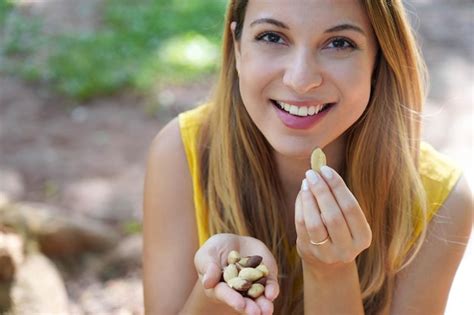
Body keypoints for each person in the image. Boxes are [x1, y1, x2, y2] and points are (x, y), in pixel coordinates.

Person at [142, 1, 472, 314]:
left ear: (379, 59)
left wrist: (331, 272)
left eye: (339, 43)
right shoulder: (181, 153)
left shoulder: (440, 200)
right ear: (238, 48)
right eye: (272, 37)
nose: (300, 80)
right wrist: (220, 288)